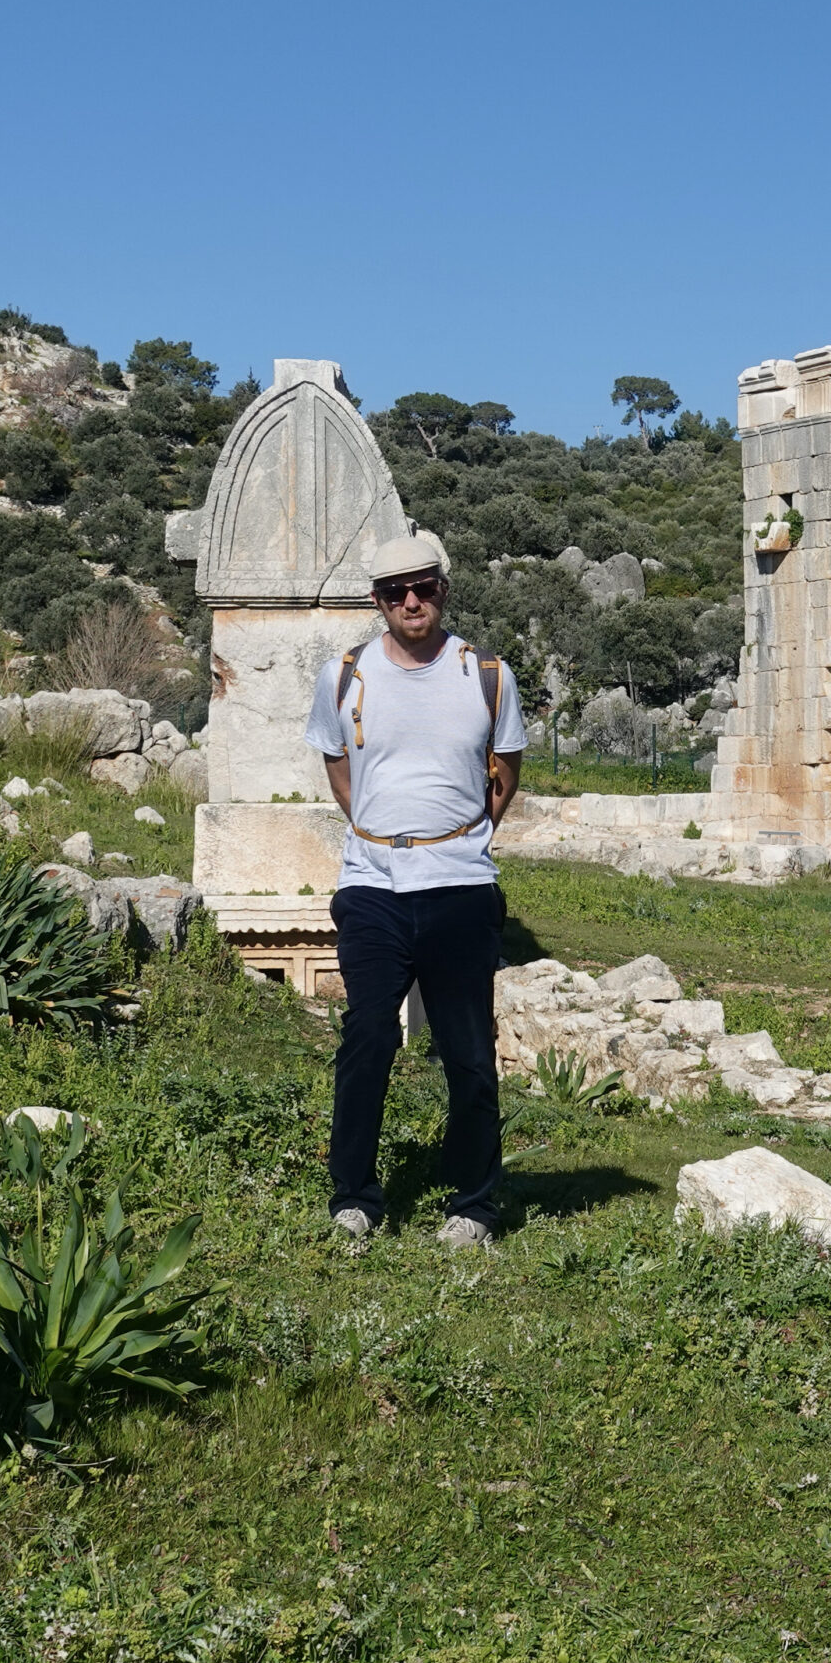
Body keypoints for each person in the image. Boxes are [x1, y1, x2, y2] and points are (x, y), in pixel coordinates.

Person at [304, 530, 527, 1246]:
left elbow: (507, 773)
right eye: (395, 592)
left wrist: (456, 835)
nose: (411, 602)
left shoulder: (487, 674)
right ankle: (355, 1196)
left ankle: (475, 1204)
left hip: (461, 882)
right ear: (377, 601)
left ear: (444, 589)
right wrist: (383, 829)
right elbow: (341, 773)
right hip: (372, 881)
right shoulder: (343, 675)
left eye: (423, 588)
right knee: (367, 1034)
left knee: (466, 1047)